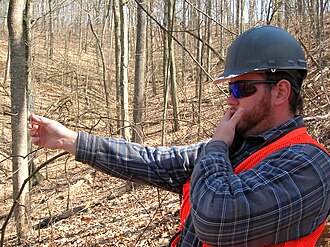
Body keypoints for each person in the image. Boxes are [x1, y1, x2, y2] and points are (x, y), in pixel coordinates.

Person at [29, 25, 330, 247]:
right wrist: (69, 140)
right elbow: (155, 162)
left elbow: (216, 217)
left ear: (280, 91)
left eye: (242, 88)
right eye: (229, 89)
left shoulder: (310, 165)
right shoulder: (238, 146)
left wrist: (216, 146)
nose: (230, 100)